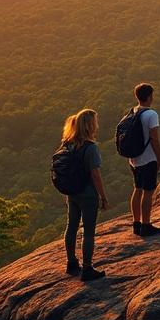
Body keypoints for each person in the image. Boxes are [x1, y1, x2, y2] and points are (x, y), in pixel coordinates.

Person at [59, 108, 108, 281]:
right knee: (88, 231)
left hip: (71, 192)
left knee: (71, 226)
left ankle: (71, 263)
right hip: (87, 193)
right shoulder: (90, 147)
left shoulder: (68, 143)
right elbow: (95, 174)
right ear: (90, 125)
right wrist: (103, 196)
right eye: (95, 122)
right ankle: (87, 269)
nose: (97, 125)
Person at [127, 83, 160, 237]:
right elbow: (154, 139)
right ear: (149, 97)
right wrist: (159, 158)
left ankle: (136, 224)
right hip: (148, 158)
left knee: (137, 189)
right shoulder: (151, 114)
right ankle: (146, 225)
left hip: (134, 158)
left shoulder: (132, 112)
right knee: (148, 192)